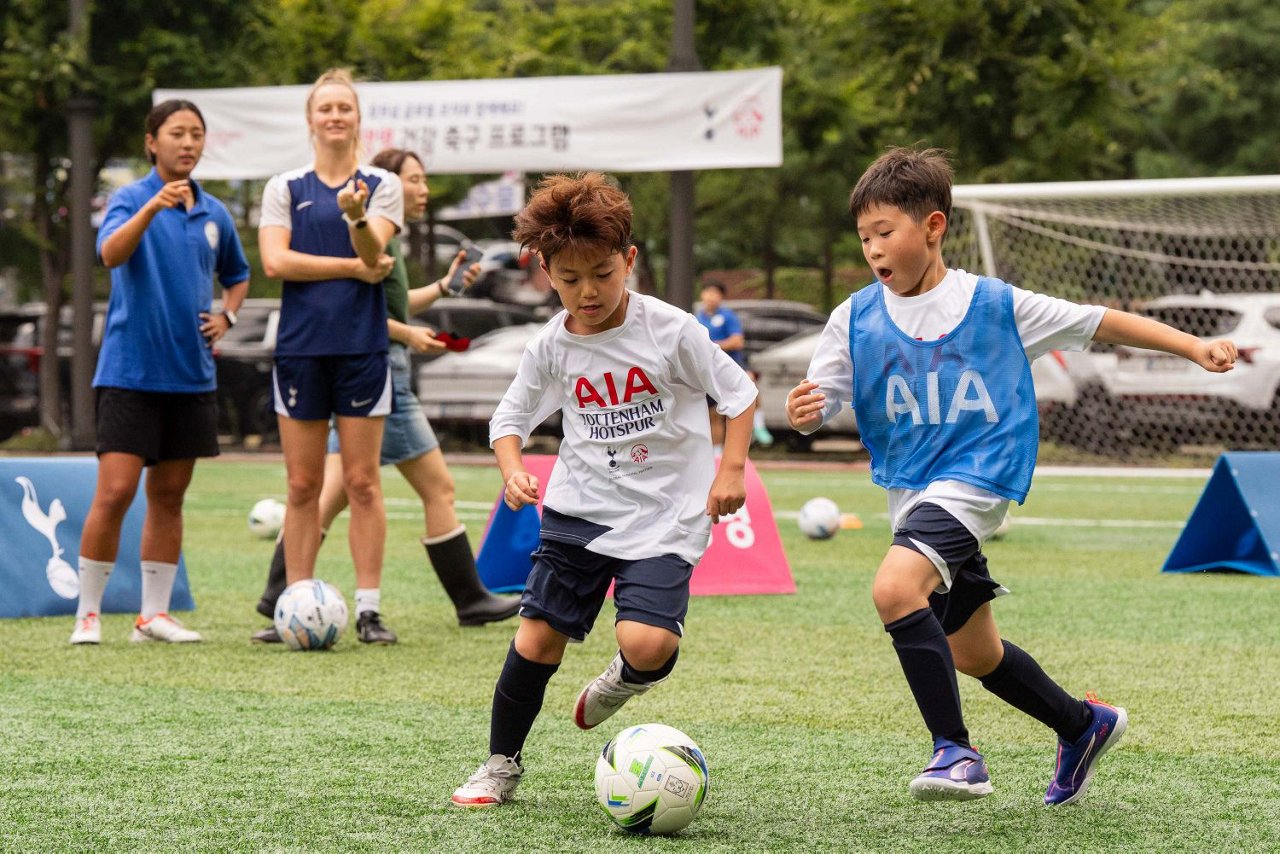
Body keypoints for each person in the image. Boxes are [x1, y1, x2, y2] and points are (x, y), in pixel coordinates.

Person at [786, 147, 1238, 805]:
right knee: (972, 652)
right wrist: (807, 412)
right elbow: (819, 399)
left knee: (893, 589)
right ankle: (1082, 726)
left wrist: (1191, 345)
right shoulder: (854, 318)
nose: (873, 249)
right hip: (913, 492)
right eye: (864, 238)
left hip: (979, 477)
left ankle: (956, 753)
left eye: (886, 233)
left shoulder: (993, 304)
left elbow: (1099, 322)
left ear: (933, 227)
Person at [450, 173, 759, 807]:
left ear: (629, 261)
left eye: (601, 273)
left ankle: (626, 678)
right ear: (545, 272)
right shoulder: (551, 345)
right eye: (568, 278)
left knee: (649, 645)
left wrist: (730, 470)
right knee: (536, 640)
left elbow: (740, 394)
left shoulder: (671, 330)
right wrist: (512, 470)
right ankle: (500, 765)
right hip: (579, 510)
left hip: (668, 514)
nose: (587, 292)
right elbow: (508, 421)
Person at [250, 147, 519, 644]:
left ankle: (281, 593)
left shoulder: (382, 238)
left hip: (378, 361)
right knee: (403, 487)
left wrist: (441, 286)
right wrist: (404, 335)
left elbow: (389, 299)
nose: (423, 190)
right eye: (414, 180)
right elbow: (369, 306)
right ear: (388, 185)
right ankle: (468, 599)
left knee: (339, 489)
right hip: (377, 365)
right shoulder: (365, 227)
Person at [70, 99, 250, 645]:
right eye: (177, 133)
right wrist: (153, 207)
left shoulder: (215, 212)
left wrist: (229, 314)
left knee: (169, 496)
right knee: (116, 492)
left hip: (191, 376)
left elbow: (237, 275)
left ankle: (153, 617)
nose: (188, 143)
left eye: (197, 134)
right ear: (152, 142)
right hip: (129, 373)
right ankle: (89, 615)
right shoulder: (130, 198)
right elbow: (110, 253)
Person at [257, 68, 402, 621]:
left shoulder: (377, 186)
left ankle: (368, 609)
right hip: (299, 350)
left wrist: (356, 216)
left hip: (362, 349)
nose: (336, 116)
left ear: (358, 118)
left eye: (345, 107)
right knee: (301, 484)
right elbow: (276, 261)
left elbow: (376, 255)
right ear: (311, 119)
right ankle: (295, 604)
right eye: (326, 108)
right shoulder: (285, 187)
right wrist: (351, 267)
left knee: (363, 481)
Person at [694, 281, 748, 451]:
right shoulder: (697, 317)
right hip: (707, 371)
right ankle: (716, 452)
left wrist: (711, 346)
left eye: (714, 293)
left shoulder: (728, 316)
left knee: (739, 407)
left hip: (728, 370)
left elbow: (737, 341)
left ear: (721, 297)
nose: (710, 296)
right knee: (711, 414)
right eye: (707, 292)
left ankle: (757, 428)